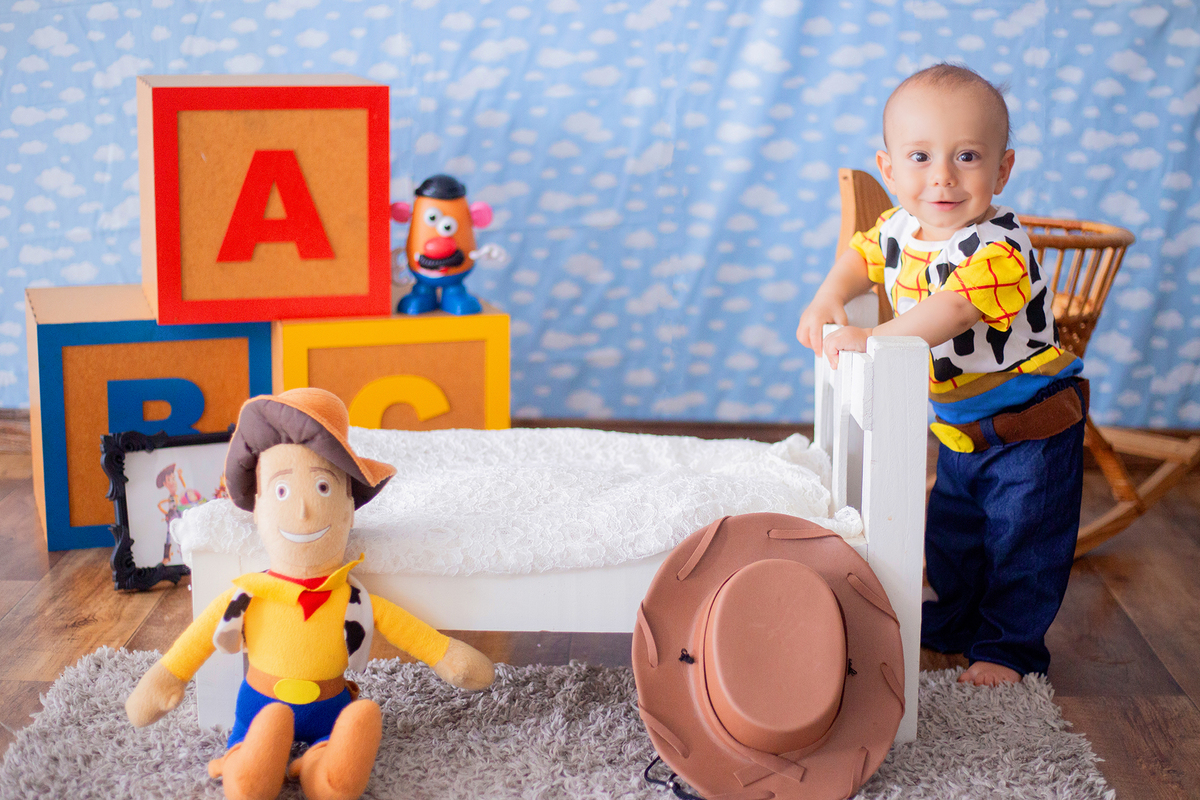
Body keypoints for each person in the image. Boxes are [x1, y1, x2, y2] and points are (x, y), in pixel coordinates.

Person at [796, 64, 1087, 687]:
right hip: (960, 428)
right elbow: (861, 254)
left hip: (1030, 425)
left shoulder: (1000, 248)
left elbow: (952, 310)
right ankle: (955, 623)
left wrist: (872, 337)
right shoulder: (899, 229)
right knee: (954, 536)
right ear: (889, 167)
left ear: (1002, 170)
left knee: (1023, 542)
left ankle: (1010, 649)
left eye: (967, 156)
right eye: (921, 156)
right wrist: (828, 297)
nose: (943, 176)